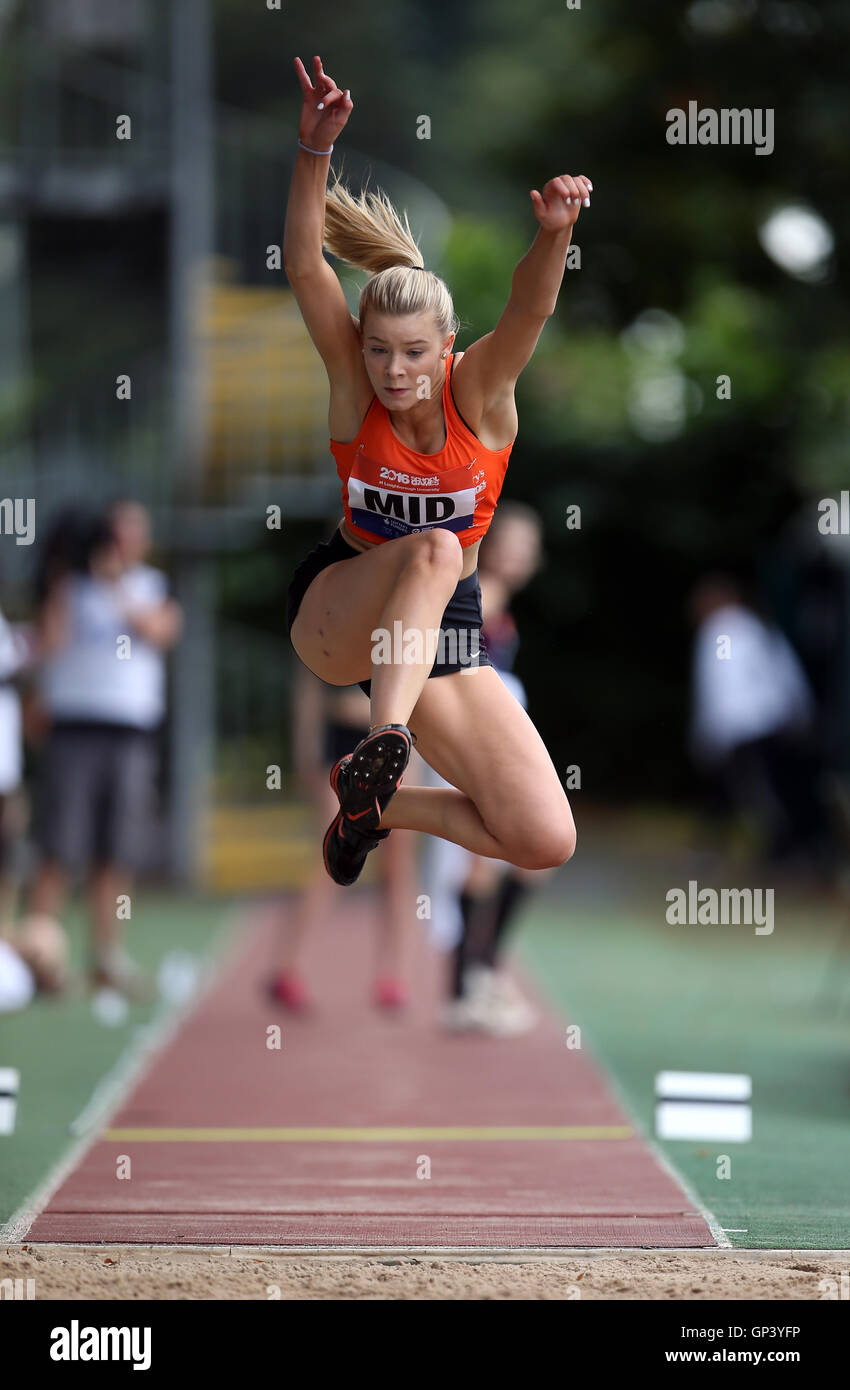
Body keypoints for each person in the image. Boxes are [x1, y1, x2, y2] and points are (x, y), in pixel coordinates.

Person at [284, 55, 583, 887]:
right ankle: (384, 745)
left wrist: (554, 233)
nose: (392, 369)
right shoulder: (356, 388)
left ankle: (370, 798)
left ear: (446, 350)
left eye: (413, 352)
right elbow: (308, 269)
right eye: (377, 349)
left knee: (541, 837)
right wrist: (313, 153)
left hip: (442, 632)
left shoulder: (479, 397)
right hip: (342, 608)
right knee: (434, 548)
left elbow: (529, 307)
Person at [26, 503, 183, 996]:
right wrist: (59, 579)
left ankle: (106, 956)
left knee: (115, 851)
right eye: (119, 532)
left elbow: (160, 632)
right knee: (58, 847)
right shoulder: (70, 586)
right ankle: (36, 954)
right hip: (73, 727)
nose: (127, 541)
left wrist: (115, 586)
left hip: (130, 730)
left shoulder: (154, 586)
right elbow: (46, 645)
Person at [422, 502, 555, 1034]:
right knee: (492, 857)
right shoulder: (482, 593)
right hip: (483, 732)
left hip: (493, 727)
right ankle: (469, 983)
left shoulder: (492, 596)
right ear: (492, 545)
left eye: (528, 547)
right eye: (511, 544)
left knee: (518, 857)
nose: (518, 555)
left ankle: (476, 977)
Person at [268, 666, 420, 1011]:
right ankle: (288, 966)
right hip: (344, 751)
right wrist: (306, 754)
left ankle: (394, 975)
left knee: (397, 868)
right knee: (329, 857)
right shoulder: (334, 616)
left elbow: (423, 687)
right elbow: (309, 688)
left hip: (397, 747)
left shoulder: (408, 624)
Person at [687, 572, 829, 871]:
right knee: (754, 793)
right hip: (768, 724)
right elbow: (786, 673)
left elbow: (718, 687)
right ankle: (782, 853)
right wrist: (799, 715)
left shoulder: (719, 629)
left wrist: (708, 736)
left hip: (740, 729)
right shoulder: (756, 627)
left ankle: (782, 853)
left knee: (754, 795)